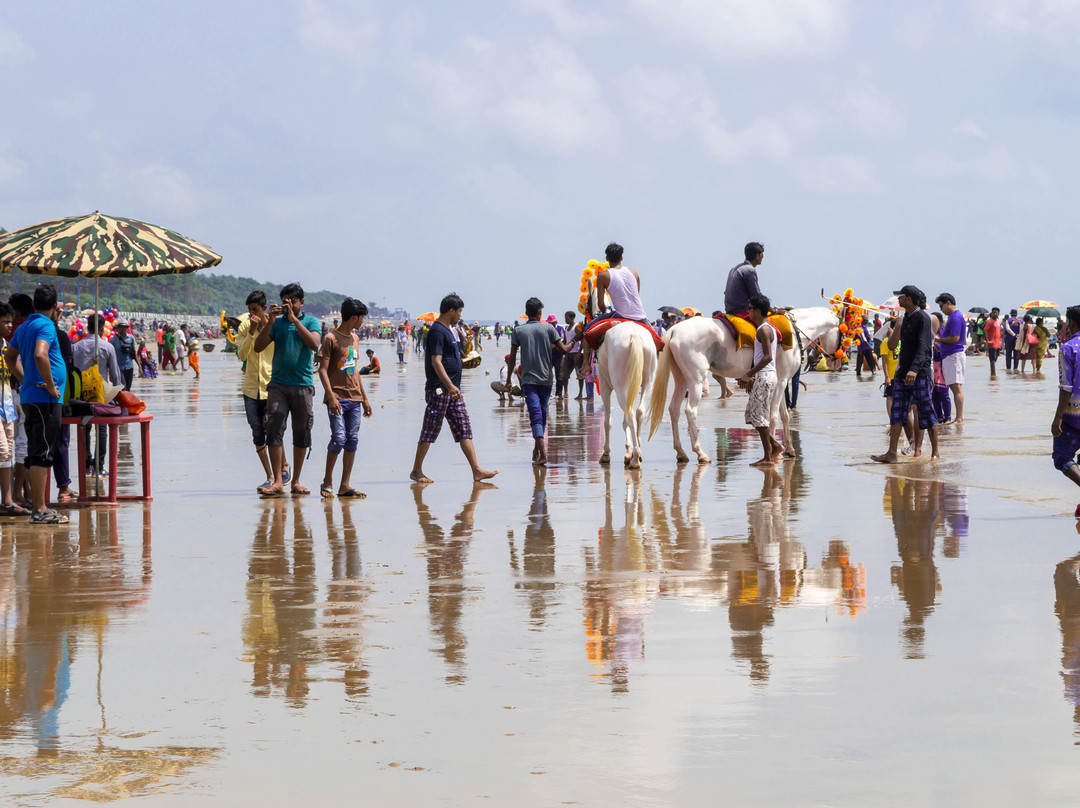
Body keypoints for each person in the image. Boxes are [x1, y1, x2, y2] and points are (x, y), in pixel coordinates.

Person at [409, 293, 498, 485]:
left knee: (463, 427)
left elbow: (449, 359)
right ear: (451, 310)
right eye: (459, 312)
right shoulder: (437, 331)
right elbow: (436, 361)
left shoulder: (448, 330)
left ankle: (477, 470)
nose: (460, 315)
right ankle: (416, 470)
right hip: (440, 389)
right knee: (430, 429)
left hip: (453, 390)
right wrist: (449, 385)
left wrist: (464, 365)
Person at [4, 284, 68, 524]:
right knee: (42, 453)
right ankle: (40, 509)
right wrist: (51, 386)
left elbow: (10, 357)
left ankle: (39, 507)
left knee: (35, 451)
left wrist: (25, 379)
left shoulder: (26, 325)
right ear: (54, 306)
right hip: (44, 399)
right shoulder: (45, 325)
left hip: (32, 396)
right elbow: (41, 354)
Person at [253, 283, 322, 497]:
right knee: (273, 427)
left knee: (301, 432)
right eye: (285, 300)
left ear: (301, 302)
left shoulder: (311, 321)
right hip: (278, 384)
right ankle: (277, 480)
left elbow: (314, 344)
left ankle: (296, 481)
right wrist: (271, 320)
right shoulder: (277, 323)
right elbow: (258, 346)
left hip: (302, 384)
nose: (288, 304)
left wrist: (294, 321)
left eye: (292, 300)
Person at [872, 286, 939, 463]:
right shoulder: (904, 319)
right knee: (897, 412)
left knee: (926, 412)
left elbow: (924, 346)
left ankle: (935, 452)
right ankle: (891, 453)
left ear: (908, 299)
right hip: (902, 374)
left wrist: (914, 370)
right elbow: (894, 346)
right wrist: (895, 331)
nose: (898, 300)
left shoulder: (923, 318)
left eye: (900, 297)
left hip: (920, 373)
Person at [317, 298, 373, 499]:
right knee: (339, 438)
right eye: (362, 318)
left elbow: (355, 371)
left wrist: (365, 399)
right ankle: (328, 481)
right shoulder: (331, 338)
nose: (363, 321)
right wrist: (330, 397)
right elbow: (322, 371)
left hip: (355, 398)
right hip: (337, 398)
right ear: (354, 317)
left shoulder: (355, 339)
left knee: (353, 440)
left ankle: (344, 484)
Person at [507, 298, 572, 465]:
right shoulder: (549, 328)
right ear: (539, 313)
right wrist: (575, 341)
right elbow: (564, 350)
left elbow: (512, 358)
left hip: (528, 380)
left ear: (527, 313)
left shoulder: (518, 331)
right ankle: (542, 451)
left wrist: (509, 379)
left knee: (538, 415)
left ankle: (539, 448)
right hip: (546, 379)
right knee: (540, 414)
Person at [237, 290, 291, 491]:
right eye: (249, 310)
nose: (252, 314)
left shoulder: (275, 326)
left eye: (255, 310)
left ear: (264, 308)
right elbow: (241, 354)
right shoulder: (244, 327)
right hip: (251, 388)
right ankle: (269, 475)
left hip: (272, 386)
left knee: (274, 431)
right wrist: (251, 331)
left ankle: (283, 467)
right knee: (257, 433)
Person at [72, 314, 122, 475]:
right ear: (102, 329)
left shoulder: (76, 347)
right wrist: (121, 393)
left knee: (84, 427)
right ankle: (99, 466)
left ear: (87, 328)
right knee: (102, 429)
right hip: (102, 396)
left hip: (81, 396)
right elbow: (115, 376)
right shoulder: (107, 348)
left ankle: (87, 464)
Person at [739, 295, 784, 467]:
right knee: (752, 415)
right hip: (763, 376)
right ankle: (774, 445)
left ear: (757, 310)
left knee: (759, 417)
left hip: (765, 375)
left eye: (750, 308)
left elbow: (767, 357)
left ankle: (768, 457)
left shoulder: (764, 330)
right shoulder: (764, 328)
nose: (748, 311)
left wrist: (747, 374)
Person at [1052, 306, 1080, 517]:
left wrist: (1058, 416)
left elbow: (1066, 386)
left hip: (1073, 416)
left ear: (1070, 323)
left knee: (1062, 457)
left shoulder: (1068, 348)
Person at [0, 303, 28, 516]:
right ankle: (8, 501)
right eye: (6, 322)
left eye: (11, 321)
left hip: (7, 406)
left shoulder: (6, 347)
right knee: (2, 451)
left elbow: (19, 372)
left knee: (8, 451)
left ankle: (7, 500)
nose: (10, 325)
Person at [934, 293, 965, 424]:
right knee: (953, 387)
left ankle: (959, 418)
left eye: (941, 306)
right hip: (949, 355)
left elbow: (955, 338)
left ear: (948, 303)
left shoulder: (956, 317)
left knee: (956, 387)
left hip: (954, 356)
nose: (941, 309)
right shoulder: (953, 317)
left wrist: (938, 340)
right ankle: (958, 417)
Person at [724, 242, 765, 317]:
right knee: (768, 323)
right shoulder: (749, 270)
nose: (762, 258)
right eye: (762, 255)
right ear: (757, 256)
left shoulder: (734, 268)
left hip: (729, 310)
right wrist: (773, 310)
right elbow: (756, 296)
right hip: (742, 311)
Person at [110, 319, 137, 390]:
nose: (123, 329)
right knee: (123, 388)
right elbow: (111, 355)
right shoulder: (113, 340)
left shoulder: (131, 338)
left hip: (129, 366)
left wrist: (140, 367)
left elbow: (134, 353)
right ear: (117, 328)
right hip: (119, 367)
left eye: (125, 327)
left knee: (128, 389)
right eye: (121, 327)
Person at [985, 308, 1002, 378]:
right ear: (992, 313)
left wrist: (1001, 341)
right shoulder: (990, 321)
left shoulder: (998, 321)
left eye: (996, 313)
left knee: (995, 359)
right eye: (994, 313)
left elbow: (1000, 331)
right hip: (992, 343)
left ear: (998, 314)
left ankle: (993, 373)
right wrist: (987, 340)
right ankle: (993, 374)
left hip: (998, 343)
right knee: (992, 359)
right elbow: (985, 330)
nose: (995, 314)